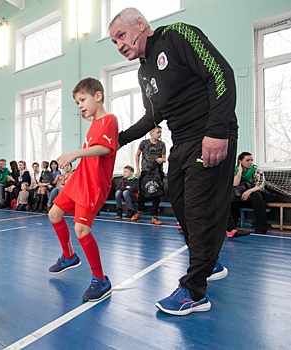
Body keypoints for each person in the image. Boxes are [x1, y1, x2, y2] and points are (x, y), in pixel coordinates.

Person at [109, 8, 238, 315]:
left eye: (121, 36)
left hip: (209, 133)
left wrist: (217, 130)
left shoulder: (178, 35)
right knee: (180, 206)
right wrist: (118, 140)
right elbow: (154, 116)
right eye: (115, 42)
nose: (120, 45)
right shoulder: (143, 71)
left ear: (140, 24)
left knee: (197, 211)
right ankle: (209, 260)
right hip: (181, 142)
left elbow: (220, 74)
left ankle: (194, 291)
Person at [47, 77, 118, 302]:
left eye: (82, 100)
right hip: (79, 179)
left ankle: (100, 279)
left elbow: (104, 149)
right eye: (77, 103)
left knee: (81, 230)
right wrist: (74, 166)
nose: (80, 106)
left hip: (93, 186)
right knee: (54, 213)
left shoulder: (109, 120)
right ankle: (68, 256)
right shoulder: (93, 126)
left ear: (97, 96)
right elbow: (92, 155)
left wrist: (75, 153)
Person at [227, 152, 268, 237]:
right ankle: (232, 227)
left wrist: (249, 191)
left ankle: (261, 227)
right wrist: (240, 172)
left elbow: (260, 186)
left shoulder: (256, 170)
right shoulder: (234, 170)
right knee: (232, 196)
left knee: (256, 195)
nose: (250, 162)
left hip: (254, 194)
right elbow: (234, 184)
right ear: (240, 161)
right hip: (241, 196)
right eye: (247, 160)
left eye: (251, 160)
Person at [131, 126, 166, 224]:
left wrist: (161, 160)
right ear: (151, 133)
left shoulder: (161, 144)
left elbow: (164, 158)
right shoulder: (144, 143)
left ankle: (154, 216)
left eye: (160, 133)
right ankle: (139, 211)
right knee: (142, 192)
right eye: (157, 132)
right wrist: (138, 169)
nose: (159, 134)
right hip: (145, 171)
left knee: (156, 193)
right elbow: (137, 154)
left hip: (157, 172)